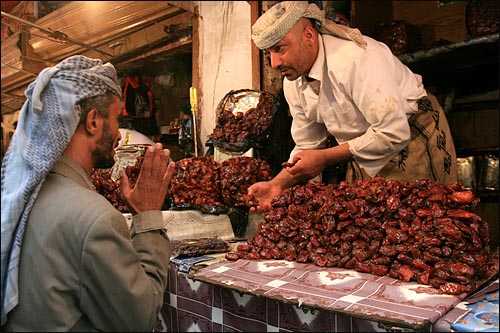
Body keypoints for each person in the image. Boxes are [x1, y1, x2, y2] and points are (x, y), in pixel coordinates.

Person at [1, 55, 176, 331]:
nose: (119, 134)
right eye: (117, 118)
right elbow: (139, 319)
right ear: (93, 121)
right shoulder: (96, 219)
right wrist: (148, 218)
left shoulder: (21, 197)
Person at [248, 1, 457, 213]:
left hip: (409, 134)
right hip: (361, 146)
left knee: (425, 217)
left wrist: (324, 158)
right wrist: (277, 184)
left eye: (279, 49)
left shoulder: (355, 59)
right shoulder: (293, 82)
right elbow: (307, 145)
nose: (274, 63)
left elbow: (393, 131)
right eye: (268, 54)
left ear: (309, 36)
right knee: (370, 224)